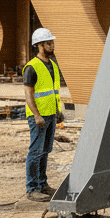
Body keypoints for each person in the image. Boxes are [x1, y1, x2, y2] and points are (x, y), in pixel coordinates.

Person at [24, 28, 64, 202]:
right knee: (35, 152)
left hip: (50, 115)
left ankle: (42, 184)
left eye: (52, 42)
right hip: (38, 117)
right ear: (39, 45)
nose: (52, 45)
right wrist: (36, 115)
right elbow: (29, 94)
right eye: (48, 43)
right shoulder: (31, 67)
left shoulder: (53, 65)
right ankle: (32, 188)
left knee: (45, 151)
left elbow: (53, 92)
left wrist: (57, 110)